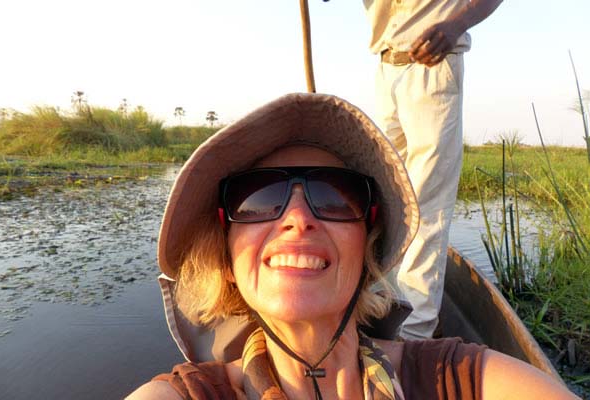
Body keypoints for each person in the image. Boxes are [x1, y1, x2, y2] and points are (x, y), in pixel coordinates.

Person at [127, 93, 576, 399]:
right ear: (226, 259)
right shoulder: (187, 394)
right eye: (258, 198)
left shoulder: (453, 378)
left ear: (369, 249)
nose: (298, 220)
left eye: (335, 196)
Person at [362, 0, 504, 339]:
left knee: (425, 205)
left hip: (432, 66)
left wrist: (456, 23)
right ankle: (378, 306)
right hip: (386, 68)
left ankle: (413, 335)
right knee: (381, 195)